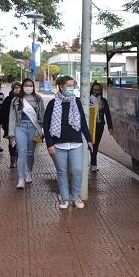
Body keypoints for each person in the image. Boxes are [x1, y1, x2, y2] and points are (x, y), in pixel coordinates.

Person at [43, 75, 92, 210]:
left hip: (76, 143)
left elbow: (82, 121)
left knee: (77, 170)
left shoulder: (76, 102)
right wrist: (49, 144)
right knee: (61, 172)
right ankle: (65, 199)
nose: (71, 88)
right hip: (58, 145)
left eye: (73, 85)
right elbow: (46, 126)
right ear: (61, 86)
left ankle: (74, 196)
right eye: (69, 85)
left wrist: (88, 139)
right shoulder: (53, 104)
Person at [8, 78, 45, 189]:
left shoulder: (39, 99)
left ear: (33, 87)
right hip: (20, 127)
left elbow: (42, 116)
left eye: (30, 85)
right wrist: (11, 133)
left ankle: (29, 171)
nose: (28, 87)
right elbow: (12, 117)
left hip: (33, 128)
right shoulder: (16, 100)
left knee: (30, 153)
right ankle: (20, 179)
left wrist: (41, 131)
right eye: (26, 85)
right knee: (22, 152)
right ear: (23, 86)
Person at [89, 81, 113, 172]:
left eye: (98, 90)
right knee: (91, 144)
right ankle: (92, 164)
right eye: (95, 90)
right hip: (90, 125)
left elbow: (108, 114)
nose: (96, 92)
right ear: (92, 90)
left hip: (100, 125)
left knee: (96, 145)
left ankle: (93, 164)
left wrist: (110, 127)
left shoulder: (103, 101)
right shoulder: (87, 99)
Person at [0, 81, 22, 167]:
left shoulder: (23, 99)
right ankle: (12, 160)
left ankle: (18, 159)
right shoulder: (8, 100)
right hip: (10, 126)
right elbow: (2, 113)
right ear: (13, 89)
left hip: (21, 126)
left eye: (19, 88)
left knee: (21, 143)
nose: (18, 90)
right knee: (12, 143)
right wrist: (5, 125)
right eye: (16, 88)